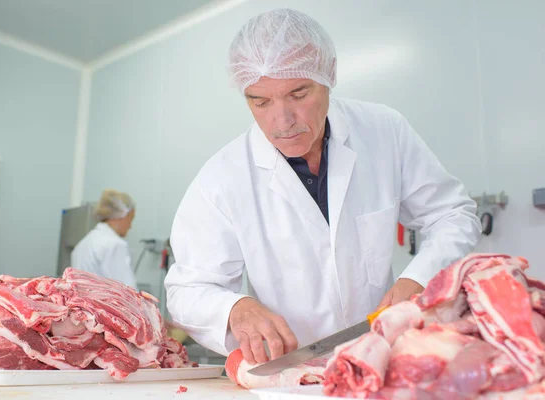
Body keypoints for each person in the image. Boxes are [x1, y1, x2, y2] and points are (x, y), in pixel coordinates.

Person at [164, 8, 481, 365]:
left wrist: (421, 278)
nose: (282, 121)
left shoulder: (383, 130)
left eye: (298, 94)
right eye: (260, 101)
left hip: (384, 360)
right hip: (292, 373)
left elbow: (452, 214)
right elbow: (187, 289)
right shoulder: (221, 178)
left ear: (327, 76)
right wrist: (236, 308)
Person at [71, 189, 137, 289]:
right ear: (121, 215)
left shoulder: (84, 243)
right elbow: (128, 292)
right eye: (130, 219)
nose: (130, 226)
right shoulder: (114, 244)